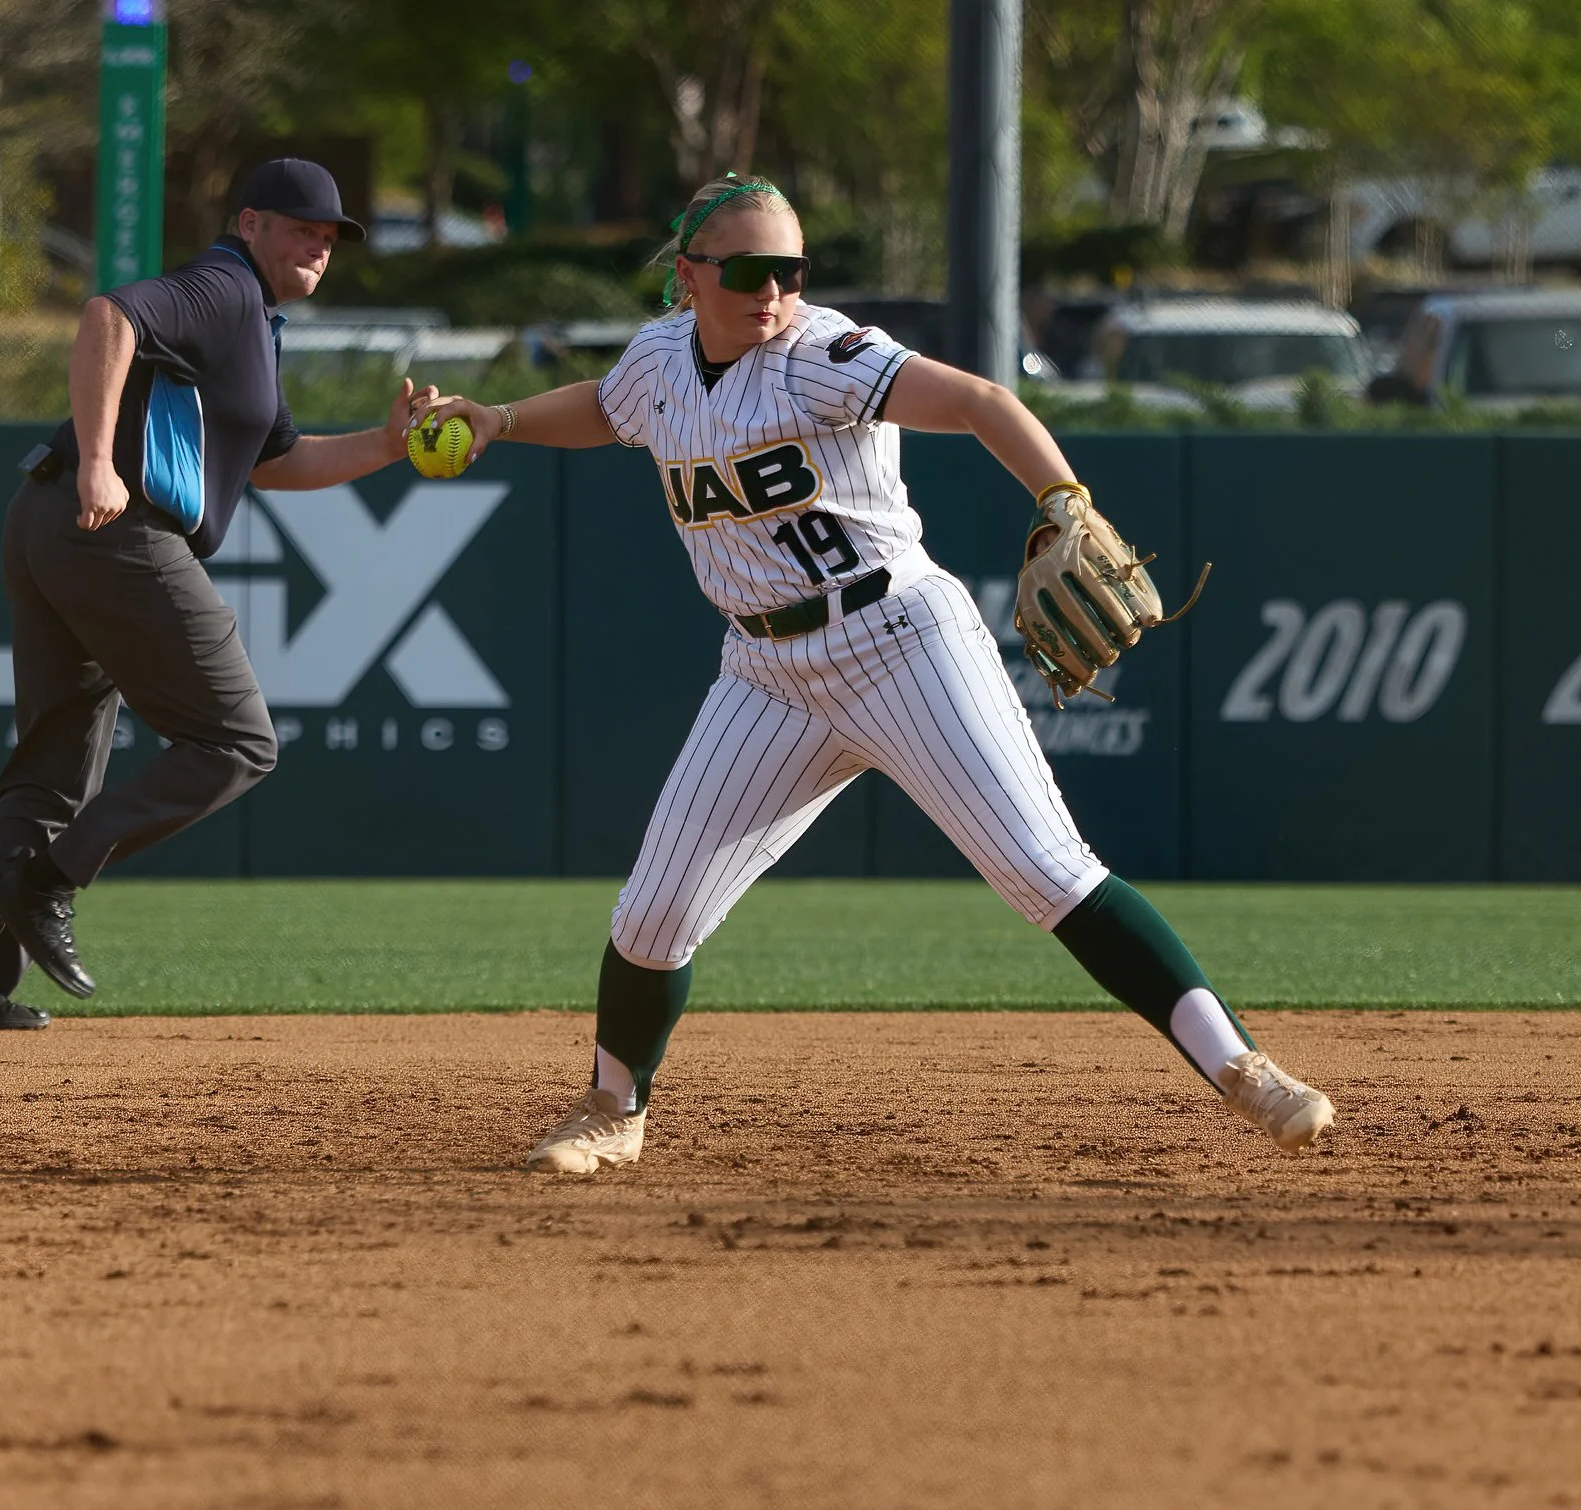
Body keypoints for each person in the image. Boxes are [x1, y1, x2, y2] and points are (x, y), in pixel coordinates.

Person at [419, 175, 1336, 1173]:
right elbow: (603, 407)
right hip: (765, 669)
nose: (770, 289)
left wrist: (1064, 499)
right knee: (652, 912)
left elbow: (983, 401)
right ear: (688, 276)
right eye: (745, 270)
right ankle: (611, 1108)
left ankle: (1242, 1067)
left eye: (789, 268)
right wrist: (500, 417)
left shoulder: (819, 355)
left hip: (899, 638)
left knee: (1044, 871)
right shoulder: (656, 361)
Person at [0, 158, 435, 1030]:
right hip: (112, 524)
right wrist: (101, 460)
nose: (319, 248)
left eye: (330, 237)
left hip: (54, 520)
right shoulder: (223, 286)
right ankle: (49, 878)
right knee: (238, 740)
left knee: (54, 773)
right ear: (249, 222)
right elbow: (111, 316)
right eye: (301, 228)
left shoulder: (254, 319)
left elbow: (279, 461)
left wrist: (385, 443)